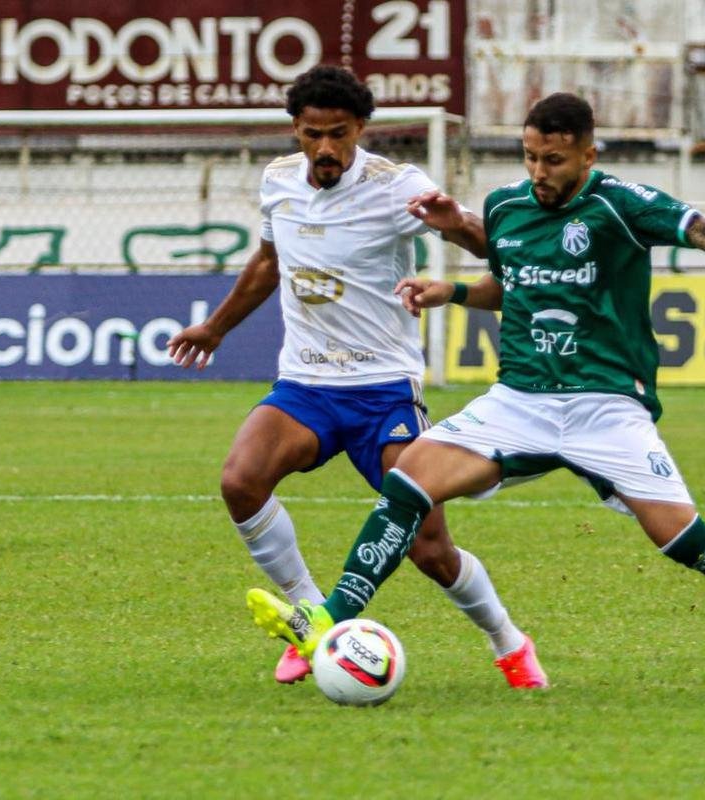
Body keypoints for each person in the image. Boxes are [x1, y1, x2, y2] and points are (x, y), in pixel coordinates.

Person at [249, 91, 705, 689]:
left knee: (680, 538)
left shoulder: (621, 204)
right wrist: (449, 292)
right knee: (410, 480)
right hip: (520, 400)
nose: (538, 173)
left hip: (605, 404)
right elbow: (509, 287)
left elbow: (699, 227)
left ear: (587, 154)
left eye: (553, 160)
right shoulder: (505, 207)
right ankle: (327, 620)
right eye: (530, 157)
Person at [167, 65, 548, 689]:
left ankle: (508, 642)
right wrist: (216, 328)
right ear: (295, 130)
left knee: (428, 548)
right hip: (306, 387)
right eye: (312, 134)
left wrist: (454, 221)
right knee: (241, 480)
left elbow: (489, 247)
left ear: (360, 130)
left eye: (337, 134)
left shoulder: (397, 185)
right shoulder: (278, 182)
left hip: (383, 391)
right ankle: (313, 616)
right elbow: (269, 261)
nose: (324, 148)